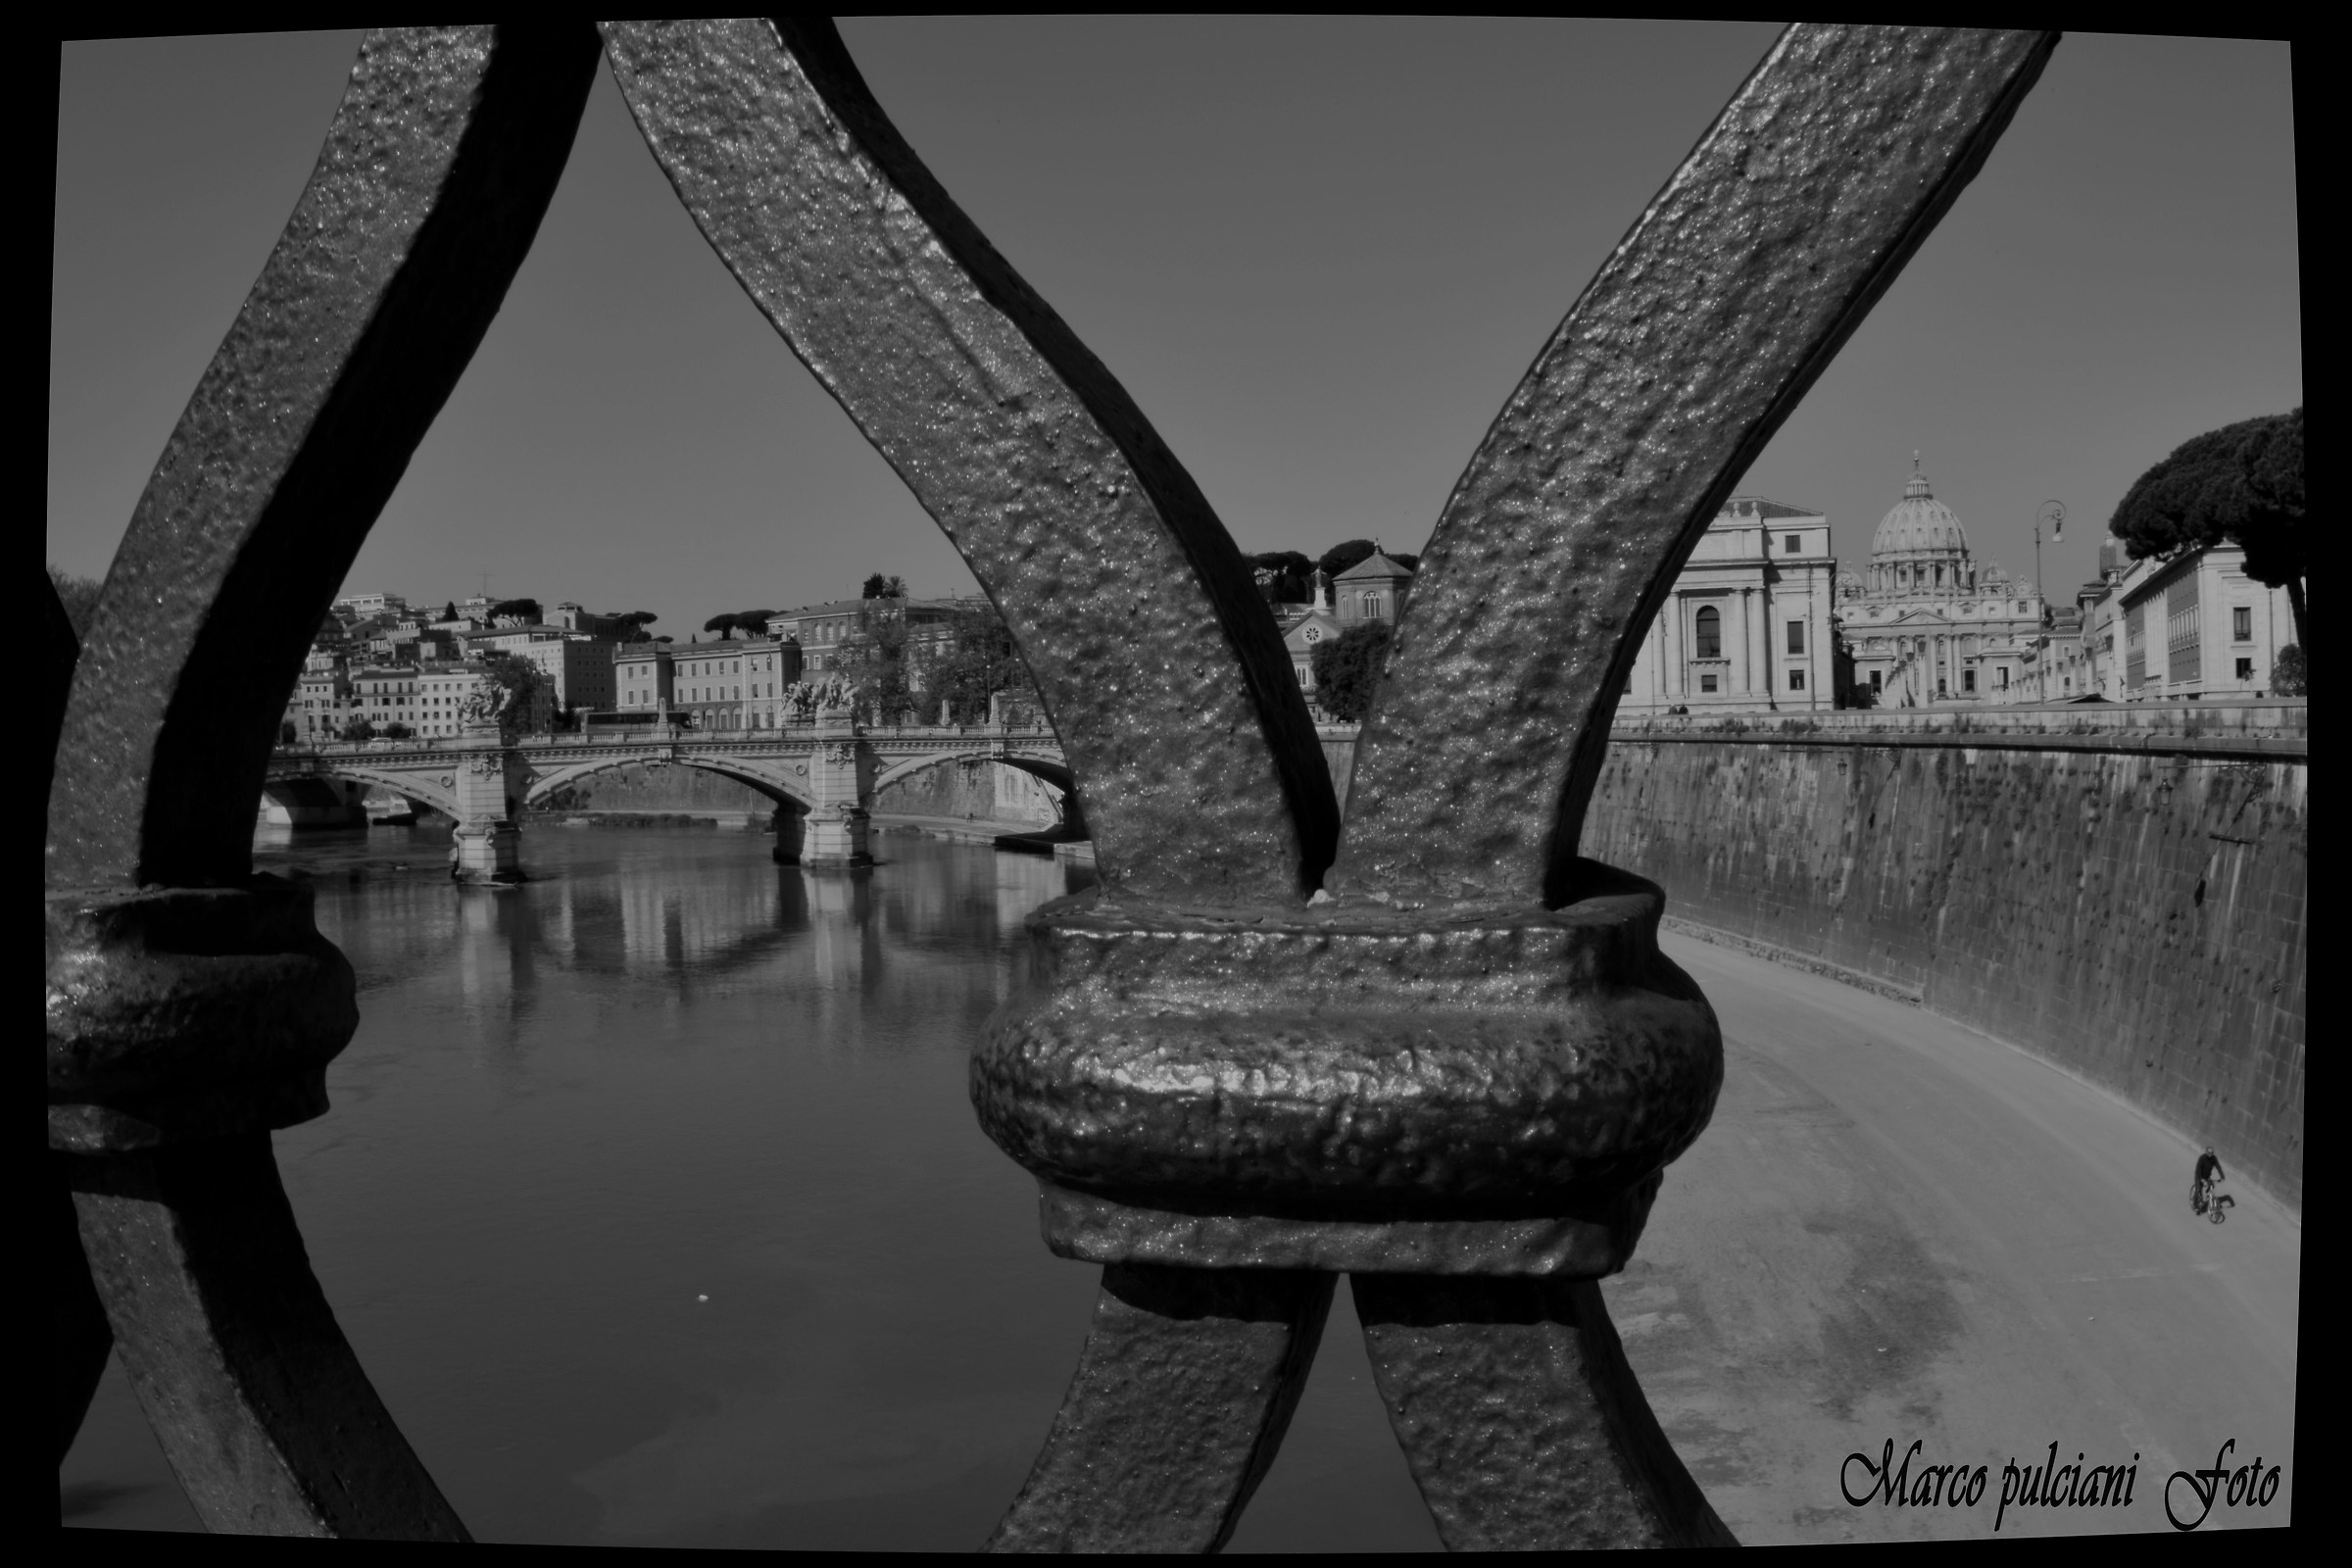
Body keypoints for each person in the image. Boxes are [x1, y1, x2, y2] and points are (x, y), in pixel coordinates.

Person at [2192, 1147, 2233, 1219]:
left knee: (2212, 1184)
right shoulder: (2202, 1158)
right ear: (2206, 1152)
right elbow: (2198, 1170)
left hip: (2207, 1177)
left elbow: (2218, 1167)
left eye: (2212, 1153)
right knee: (2198, 1189)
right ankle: (2196, 1206)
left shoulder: (2214, 1159)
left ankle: (2208, 1194)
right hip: (2199, 1176)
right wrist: (2201, 1179)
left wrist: (2222, 1177)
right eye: (2209, 1153)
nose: (2211, 1154)